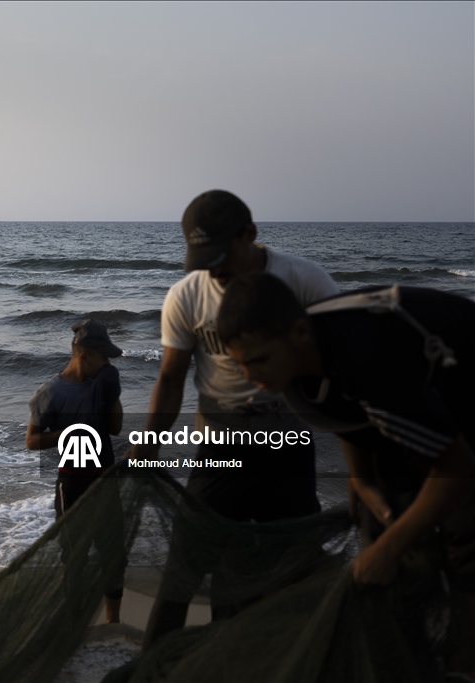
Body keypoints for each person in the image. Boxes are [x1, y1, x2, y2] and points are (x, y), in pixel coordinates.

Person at [216, 273, 475, 676]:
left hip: (460, 402)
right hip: (417, 402)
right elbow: (345, 416)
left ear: (300, 333)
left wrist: (388, 550)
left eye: (258, 360)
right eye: (239, 365)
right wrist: (361, 479)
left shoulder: (368, 357)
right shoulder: (290, 372)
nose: (250, 376)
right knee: (388, 533)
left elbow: (458, 469)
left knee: (465, 550)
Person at [136, 190, 339, 648]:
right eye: (203, 260)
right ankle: (151, 664)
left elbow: (338, 372)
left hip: (287, 439)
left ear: (251, 234)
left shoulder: (305, 282)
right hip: (220, 443)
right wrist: (148, 446)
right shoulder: (186, 295)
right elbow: (170, 379)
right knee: (186, 560)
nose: (215, 271)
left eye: (222, 256)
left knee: (294, 554)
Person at [26, 318, 125, 623]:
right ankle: (74, 623)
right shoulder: (50, 392)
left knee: (114, 554)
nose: (107, 362)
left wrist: (112, 392)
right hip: (72, 483)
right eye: (103, 357)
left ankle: (112, 622)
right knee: (74, 555)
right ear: (84, 355)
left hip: (105, 478)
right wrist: (69, 431)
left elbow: (116, 429)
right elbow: (32, 441)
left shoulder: (101, 384)